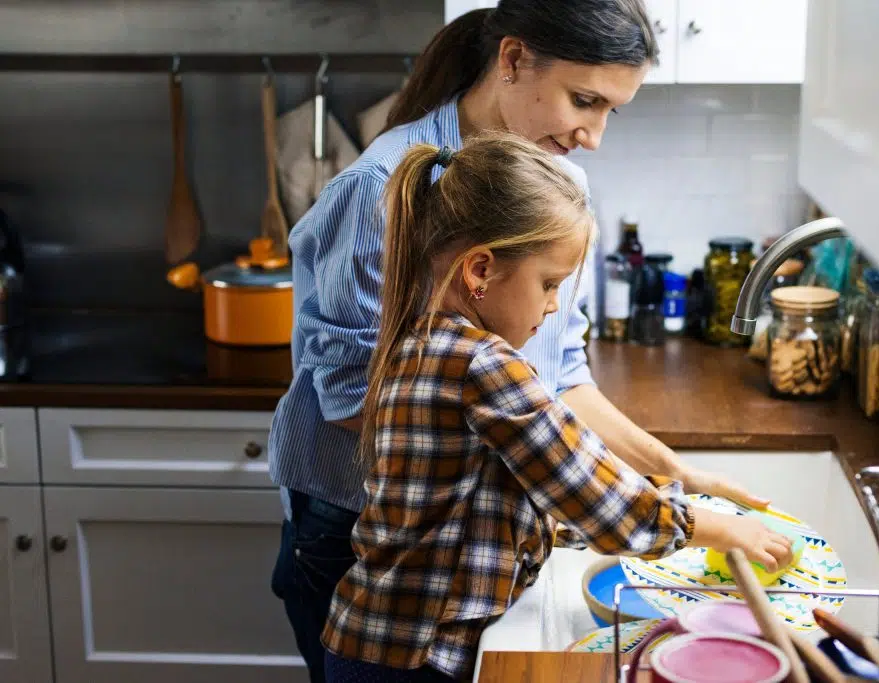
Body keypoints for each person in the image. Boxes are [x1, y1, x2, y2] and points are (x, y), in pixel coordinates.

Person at [269, 2, 774, 681]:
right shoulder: (378, 190)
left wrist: (670, 470)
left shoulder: (556, 188)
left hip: (469, 543)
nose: (592, 135)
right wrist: (567, 477)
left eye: (610, 112)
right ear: (511, 60)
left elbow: (561, 374)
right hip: (359, 541)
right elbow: (354, 399)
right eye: (583, 100)